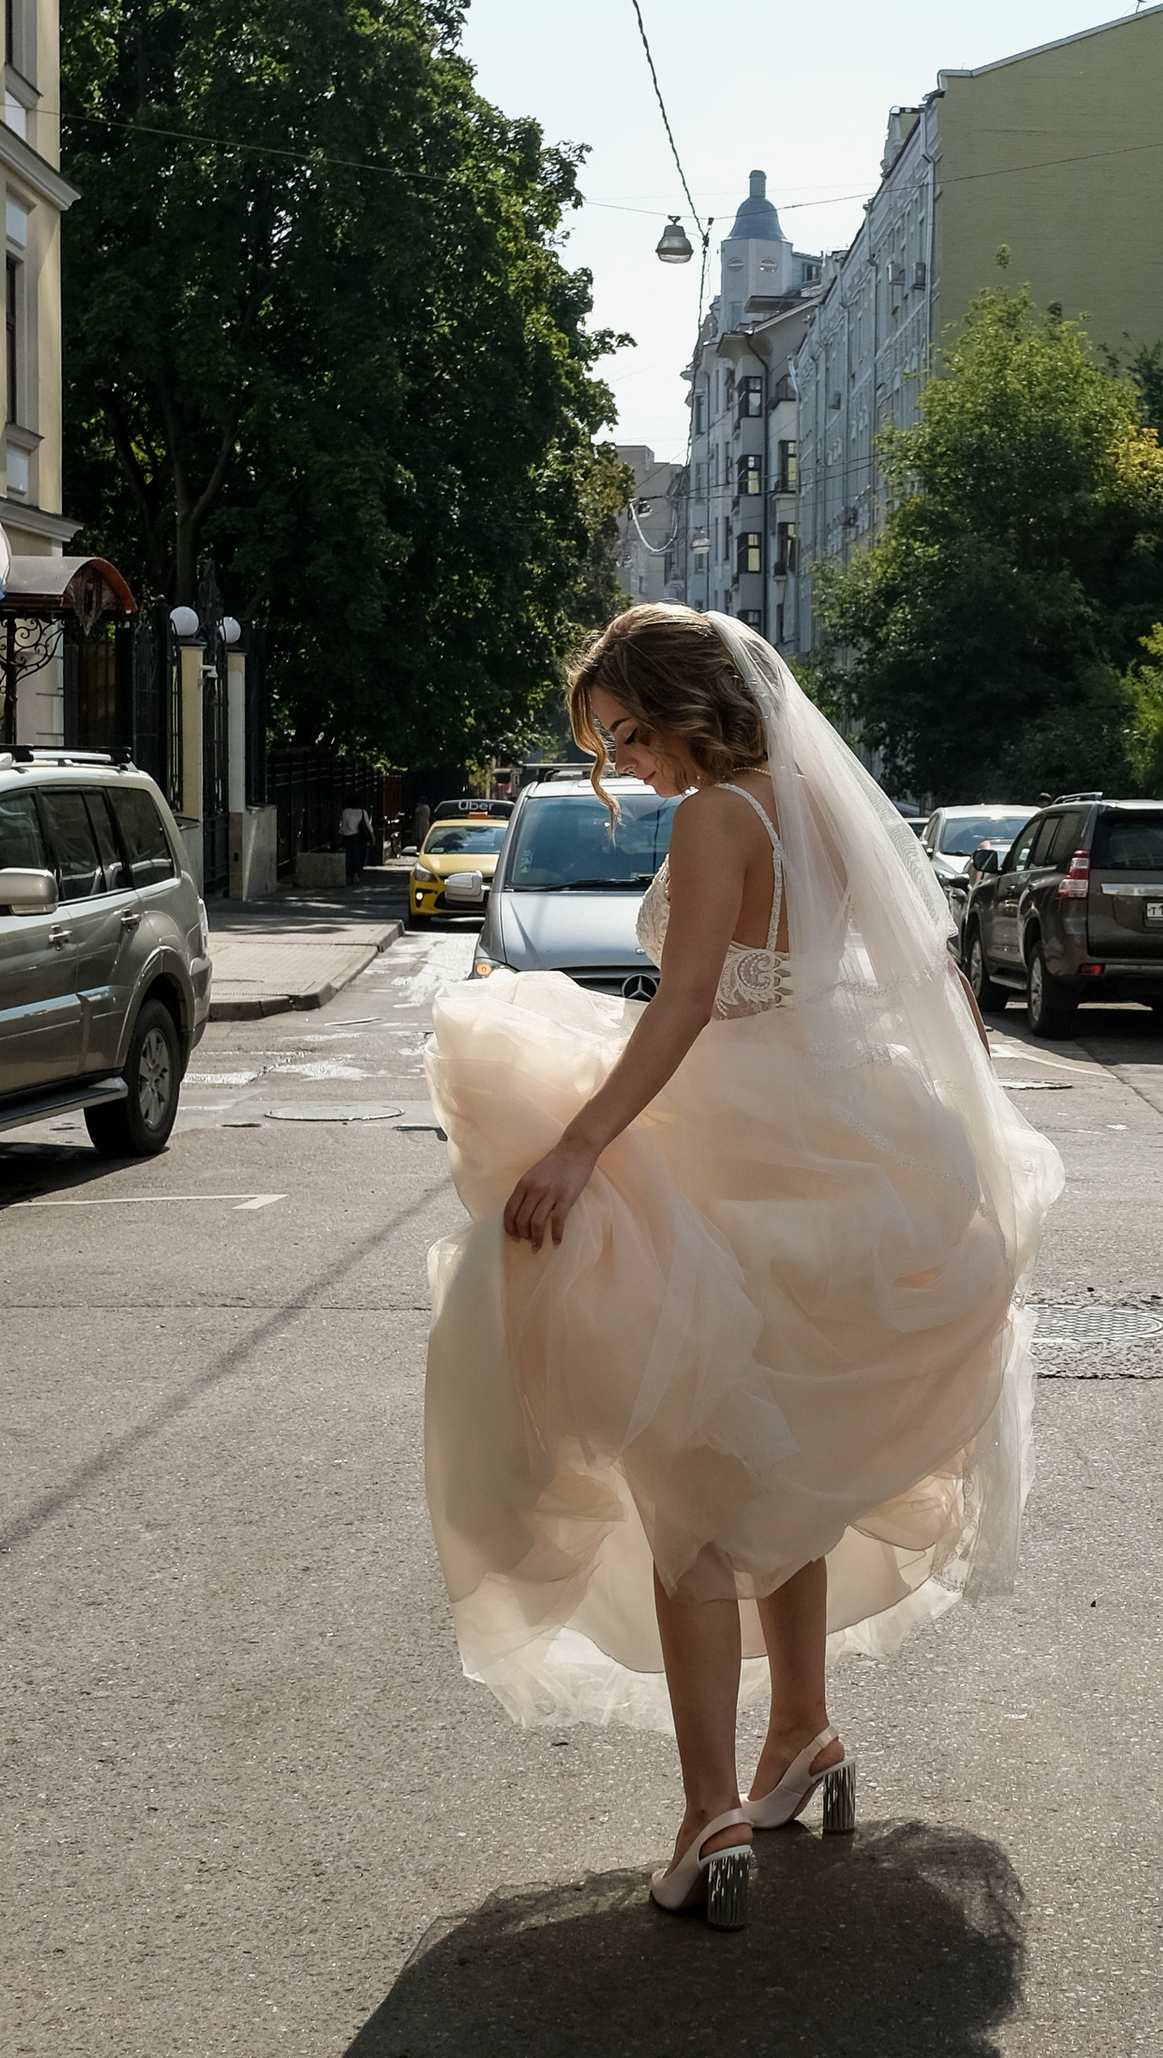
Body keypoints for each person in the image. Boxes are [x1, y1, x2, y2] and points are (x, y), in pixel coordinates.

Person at [421, 605, 1063, 1930]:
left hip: (730, 1150)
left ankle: (711, 1812)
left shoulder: (721, 817)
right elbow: (925, 981)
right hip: (841, 1145)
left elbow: (689, 998)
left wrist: (582, 1144)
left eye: (630, 735)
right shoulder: (823, 806)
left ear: (685, 710)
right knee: (779, 1477)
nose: (628, 765)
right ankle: (804, 1733)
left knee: (695, 1506)